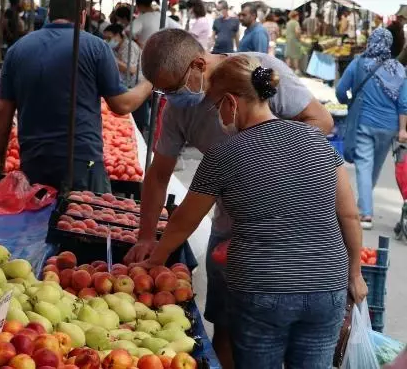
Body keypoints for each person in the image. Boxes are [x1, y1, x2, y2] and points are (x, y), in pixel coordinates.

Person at [131, 54, 368, 369]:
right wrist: (355, 273)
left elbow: (184, 221)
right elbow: (349, 215)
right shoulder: (317, 140)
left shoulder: (224, 154)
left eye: (217, 107)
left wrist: (156, 259)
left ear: (230, 102)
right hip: (327, 285)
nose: (218, 115)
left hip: (262, 286)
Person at [0, 0, 153, 192]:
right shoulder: (96, 47)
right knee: (84, 216)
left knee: (36, 219)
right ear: (82, 16)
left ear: (49, 14)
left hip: (34, 162)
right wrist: (149, 82)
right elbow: (121, 105)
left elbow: (4, 111)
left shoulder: (17, 50)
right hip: (83, 163)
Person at [336, 28, 407, 230]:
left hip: (364, 122)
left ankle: (366, 214)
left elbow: (341, 90)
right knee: (373, 168)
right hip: (389, 127)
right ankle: (363, 206)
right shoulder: (398, 69)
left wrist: (348, 102)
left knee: (364, 166)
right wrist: (402, 129)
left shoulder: (359, 63)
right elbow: (404, 103)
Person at [103, 24, 148, 132]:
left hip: (136, 85)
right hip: (124, 84)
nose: (107, 41)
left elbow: (131, 70)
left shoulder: (129, 46)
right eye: (106, 38)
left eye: (109, 38)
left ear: (118, 35)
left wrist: (110, 58)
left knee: (136, 119)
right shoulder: (114, 47)